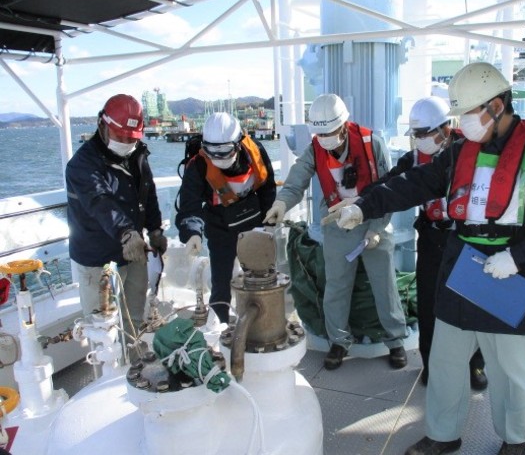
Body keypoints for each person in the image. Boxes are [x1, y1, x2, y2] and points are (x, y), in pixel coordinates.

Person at [330, 62, 525, 455]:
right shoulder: (460, 152)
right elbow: (414, 183)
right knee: (446, 362)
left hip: (510, 276)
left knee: (511, 371)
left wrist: (517, 258)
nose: (463, 123)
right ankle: (443, 434)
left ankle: (515, 440)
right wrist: (363, 206)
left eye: (469, 113)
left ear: (497, 106)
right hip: (462, 269)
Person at [263, 93, 408, 370]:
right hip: (338, 225)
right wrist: (282, 203)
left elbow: (389, 190)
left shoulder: (371, 143)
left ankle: (395, 340)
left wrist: (376, 229)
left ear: (343, 125)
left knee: (384, 285)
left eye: (329, 132)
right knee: (336, 286)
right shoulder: (315, 150)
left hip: (373, 222)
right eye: (320, 133)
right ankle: (339, 342)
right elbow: (296, 181)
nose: (325, 138)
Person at [367, 96, 487, 390]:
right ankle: (431, 365)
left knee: (472, 305)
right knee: (429, 305)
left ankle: (476, 366)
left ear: (446, 129)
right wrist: (359, 202)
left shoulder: (472, 151)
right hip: (433, 238)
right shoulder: (413, 160)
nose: (420, 140)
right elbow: (391, 184)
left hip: (466, 239)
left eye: (424, 134)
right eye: (416, 135)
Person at [66, 94, 167, 334]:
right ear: (102, 125)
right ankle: (109, 371)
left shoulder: (136, 155)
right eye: (119, 136)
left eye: (130, 138)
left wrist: (154, 230)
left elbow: (148, 192)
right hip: (97, 260)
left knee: (134, 320)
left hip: (134, 254)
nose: (125, 141)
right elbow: (101, 202)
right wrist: (126, 233)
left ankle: (133, 366)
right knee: (103, 332)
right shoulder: (82, 165)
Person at [175, 112, 276, 324]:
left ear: (238, 144)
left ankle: (260, 325)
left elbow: (267, 187)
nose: (219, 158)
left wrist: (268, 223)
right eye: (213, 152)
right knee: (220, 284)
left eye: (224, 151)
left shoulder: (255, 151)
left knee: (259, 278)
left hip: (254, 223)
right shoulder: (199, 166)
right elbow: (189, 205)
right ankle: (219, 328)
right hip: (220, 227)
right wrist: (192, 233)